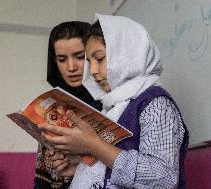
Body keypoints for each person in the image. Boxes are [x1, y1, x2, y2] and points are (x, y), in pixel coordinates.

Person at [40, 14, 189, 189]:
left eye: (100, 59)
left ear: (126, 53)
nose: (93, 71)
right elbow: (112, 162)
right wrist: (79, 168)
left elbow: (162, 179)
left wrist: (93, 145)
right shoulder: (112, 105)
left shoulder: (155, 104)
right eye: (90, 62)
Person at [34, 21, 102, 189]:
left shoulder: (112, 104)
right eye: (62, 59)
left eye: (79, 56)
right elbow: (43, 179)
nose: (71, 67)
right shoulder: (52, 108)